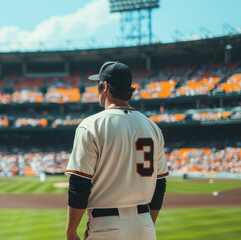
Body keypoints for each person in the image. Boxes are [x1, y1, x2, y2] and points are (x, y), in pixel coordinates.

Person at [65, 61, 168, 240]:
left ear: (104, 87)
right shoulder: (152, 127)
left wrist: (70, 232)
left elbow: (79, 185)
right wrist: (146, 223)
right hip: (145, 225)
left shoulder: (91, 125)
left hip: (106, 226)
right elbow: (160, 185)